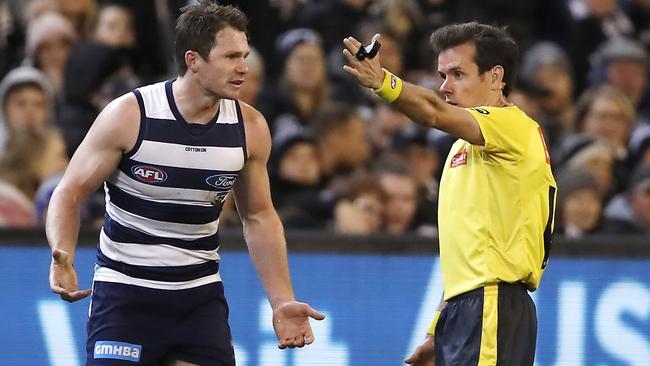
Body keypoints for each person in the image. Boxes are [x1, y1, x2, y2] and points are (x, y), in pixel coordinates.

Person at [47, 2, 324, 365]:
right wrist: (62, 253)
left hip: (199, 299)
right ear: (193, 60)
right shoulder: (130, 116)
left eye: (245, 55)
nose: (243, 67)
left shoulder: (250, 129)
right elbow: (69, 192)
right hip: (126, 294)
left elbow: (258, 216)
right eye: (230, 57)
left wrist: (282, 300)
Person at [343, 22, 557, 365]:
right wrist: (437, 328)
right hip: (470, 307)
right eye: (442, 75)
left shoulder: (513, 126)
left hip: (492, 306)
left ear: (495, 77)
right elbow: (470, 257)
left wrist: (384, 82)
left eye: (457, 74)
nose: (445, 86)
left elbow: (432, 111)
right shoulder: (465, 148)